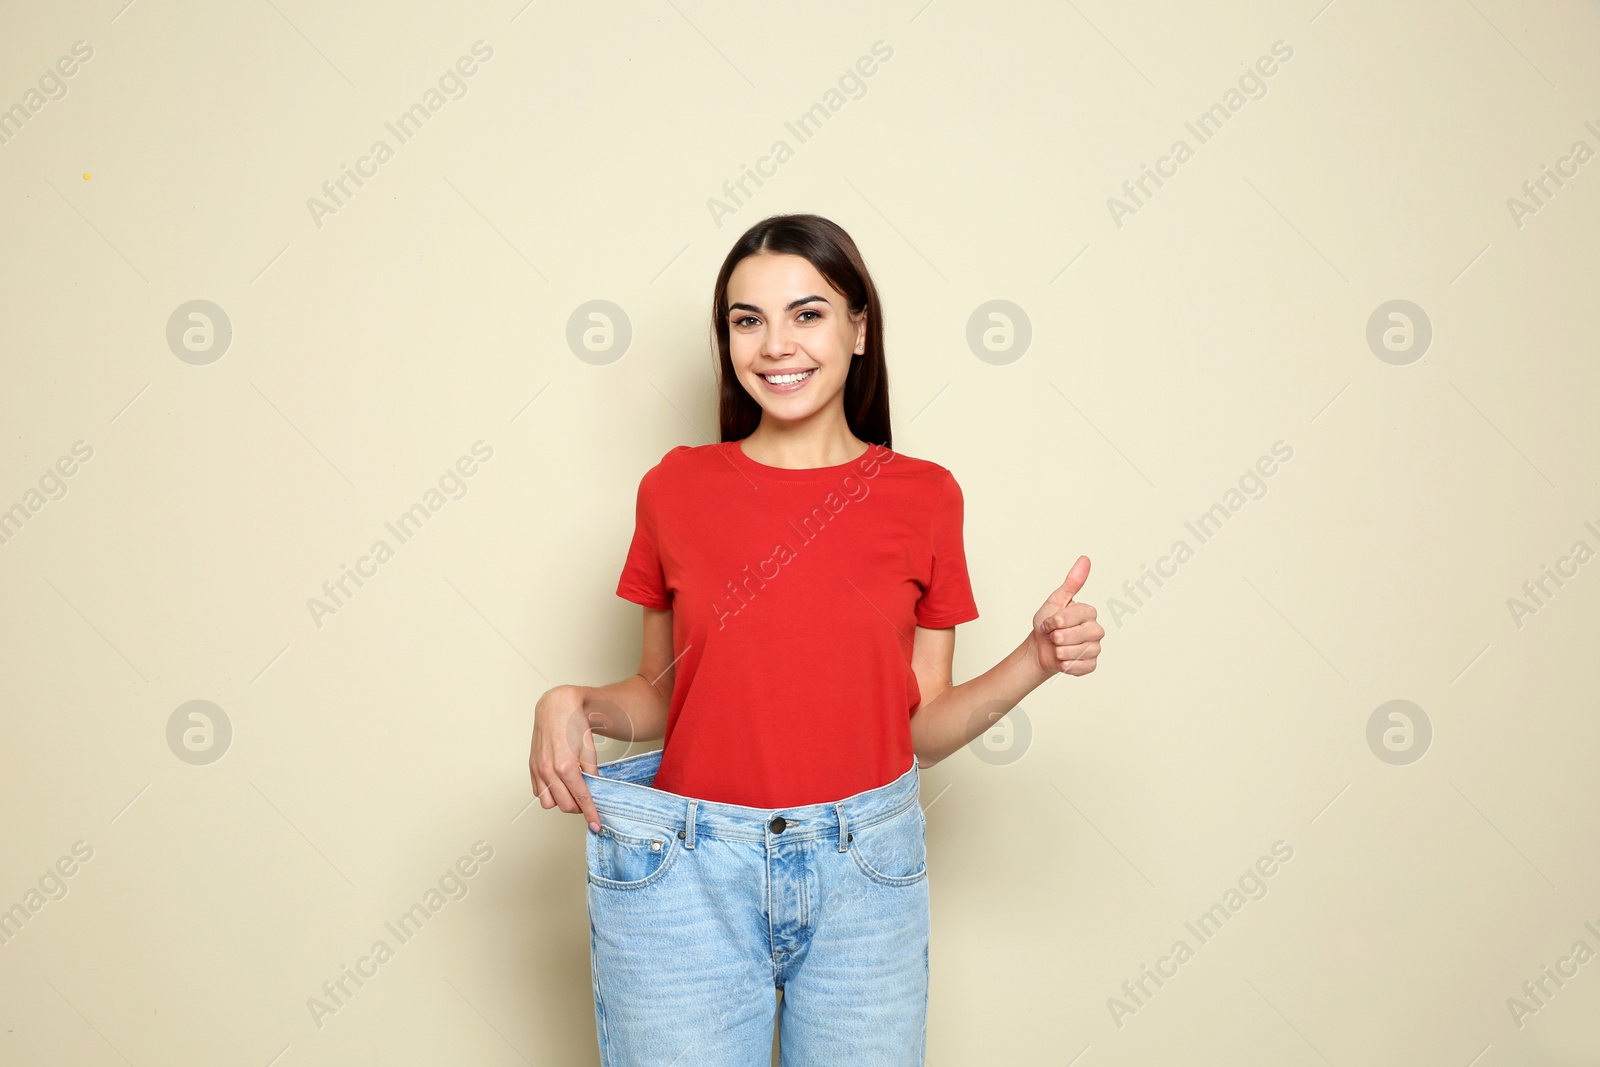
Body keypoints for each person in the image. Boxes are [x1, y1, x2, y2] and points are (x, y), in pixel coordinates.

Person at [529, 213, 1103, 1065]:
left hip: (864, 872)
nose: (774, 345)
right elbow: (663, 692)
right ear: (726, 340)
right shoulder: (676, 487)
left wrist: (1036, 661)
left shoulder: (924, 497)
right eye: (746, 320)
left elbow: (917, 725)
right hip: (686, 873)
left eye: (807, 313)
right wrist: (574, 702)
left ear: (858, 326)